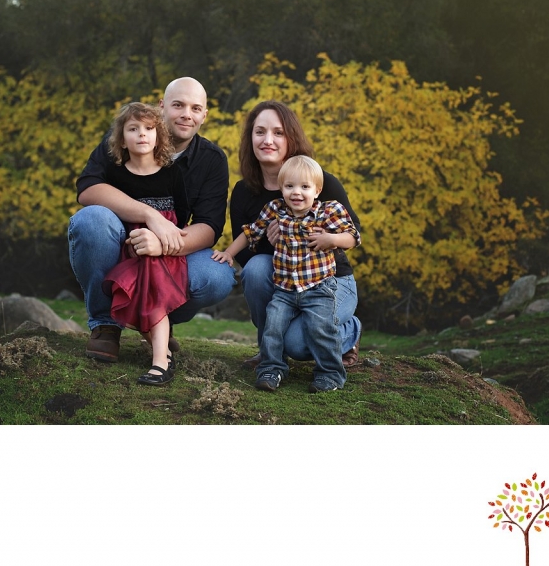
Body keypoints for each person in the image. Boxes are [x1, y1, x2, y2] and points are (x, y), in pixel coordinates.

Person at [69, 77, 236, 364]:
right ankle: (106, 324)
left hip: (167, 252)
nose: (187, 114)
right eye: (178, 105)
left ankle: (158, 320)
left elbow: (209, 227)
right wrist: (150, 216)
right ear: (162, 107)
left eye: (196, 108)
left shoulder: (210, 160)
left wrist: (162, 244)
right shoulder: (127, 136)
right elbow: (87, 189)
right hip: (117, 244)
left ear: (204, 116)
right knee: (91, 220)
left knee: (217, 276)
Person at [228, 100, 362, 369]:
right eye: (260, 132)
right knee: (254, 270)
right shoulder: (244, 192)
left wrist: (325, 237)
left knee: (299, 346)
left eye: (278, 133)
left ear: (291, 137)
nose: (268, 140)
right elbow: (245, 250)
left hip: (331, 281)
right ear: (250, 138)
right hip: (285, 285)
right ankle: (270, 351)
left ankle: (350, 330)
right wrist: (272, 240)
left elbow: (353, 234)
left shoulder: (318, 181)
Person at [212, 155, 360, 393]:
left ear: (317, 190)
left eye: (304, 187)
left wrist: (330, 239)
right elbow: (251, 232)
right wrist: (229, 253)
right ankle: (272, 368)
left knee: (319, 329)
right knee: (272, 327)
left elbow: (353, 236)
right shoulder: (275, 210)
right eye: (290, 186)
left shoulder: (328, 212)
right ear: (281, 189)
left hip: (320, 287)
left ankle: (330, 374)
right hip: (285, 289)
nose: (296, 193)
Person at [100, 102, 187, 385]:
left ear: (159, 136)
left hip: (165, 249)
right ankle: (159, 347)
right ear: (121, 138)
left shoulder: (172, 173)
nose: (142, 135)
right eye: (133, 129)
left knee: (153, 284)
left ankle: (161, 362)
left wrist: (162, 242)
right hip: (130, 248)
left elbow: (182, 218)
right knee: (133, 286)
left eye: (149, 129)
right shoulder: (115, 176)